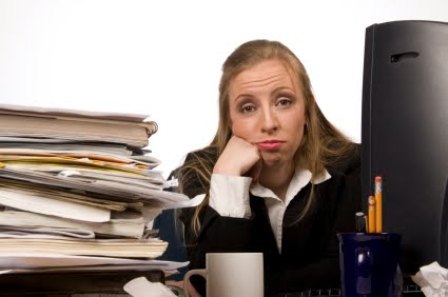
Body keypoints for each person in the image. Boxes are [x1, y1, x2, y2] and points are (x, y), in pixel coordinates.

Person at [176, 39, 361, 297]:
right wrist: (228, 180)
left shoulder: (353, 166)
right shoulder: (201, 171)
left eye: (283, 102)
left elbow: (348, 275)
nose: (269, 123)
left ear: (307, 109)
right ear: (230, 120)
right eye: (248, 107)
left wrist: (258, 285)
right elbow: (210, 287)